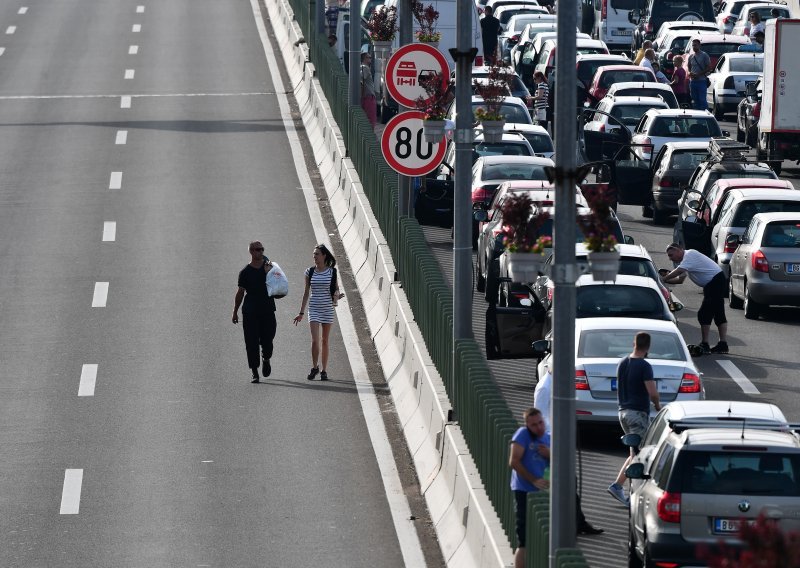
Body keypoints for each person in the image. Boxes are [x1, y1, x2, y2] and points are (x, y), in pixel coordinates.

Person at [533, 369, 604, 536]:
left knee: (569, 481)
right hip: (551, 442)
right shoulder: (545, 387)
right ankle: (572, 523)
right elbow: (539, 418)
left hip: (559, 440)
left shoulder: (556, 385)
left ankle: (577, 521)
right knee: (564, 481)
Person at [607, 332, 661, 506]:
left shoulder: (622, 362)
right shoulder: (644, 366)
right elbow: (652, 392)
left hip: (623, 412)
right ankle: (632, 493)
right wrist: (658, 406)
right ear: (648, 347)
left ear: (634, 343)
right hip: (637, 414)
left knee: (634, 453)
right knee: (642, 455)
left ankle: (618, 486)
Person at [662, 243, 729, 353]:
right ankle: (723, 344)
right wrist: (665, 280)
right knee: (718, 313)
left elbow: (678, 271)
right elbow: (680, 280)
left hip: (715, 282)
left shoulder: (690, 255)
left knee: (704, 313)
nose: (670, 259)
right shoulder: (685, 262)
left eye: (671, 255)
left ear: (679, 250)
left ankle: (705, 344)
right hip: (714, 283)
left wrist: (662, 279)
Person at [293, 244, 344, 381]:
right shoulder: (309, 272)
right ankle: (314, 367)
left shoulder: (332, 272)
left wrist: (337, 296)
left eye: (317, 254)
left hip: (327, 309)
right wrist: (301, 313)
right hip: (314, 309)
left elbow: (336, 289)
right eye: (314, 254)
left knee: (325, 341)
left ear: (324, 256)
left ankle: (324, 370)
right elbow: (306, 293)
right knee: (315, 340)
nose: (314, 256)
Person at [509, 408, 550, 568]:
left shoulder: (547, 438)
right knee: (524, 539)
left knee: (542, 536)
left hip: (543, 493)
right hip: (524, 491)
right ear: (527, 425)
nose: (539, 427)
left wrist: (549, 454)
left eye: (540, 422)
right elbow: (514, 461)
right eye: (534, 425)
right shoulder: (522, 435)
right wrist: (533, 480)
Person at [232, 241, 277, 384]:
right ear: (251, 251)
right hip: (250, 311)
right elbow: (240, 293)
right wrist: (235, 312)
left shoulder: (269, 268)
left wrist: (269, 273)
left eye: (262, 249)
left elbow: (278, 285)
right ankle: (254, 372)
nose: (261, 252)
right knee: (251, 342)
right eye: (258, 249)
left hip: (268, 309)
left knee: (268, 340)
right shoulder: (245, 272)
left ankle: (266, 358)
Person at [687, 38, 712, 111]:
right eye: (693, 45)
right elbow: (689, 68)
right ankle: (697, 115)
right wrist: (690, 73)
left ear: (699, 45)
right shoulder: (691, 56)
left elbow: (709, 68)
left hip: (701, 81)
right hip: (693, 82)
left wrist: (698, 74)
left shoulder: (704, 55)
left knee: (702, 100)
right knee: (695, 100)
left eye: (695, 45)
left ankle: (705, 115)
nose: (694, 47)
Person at [360, 52, 377, 128]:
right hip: (369, 97)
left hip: (365, 97)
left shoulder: (362, 67)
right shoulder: (365, 67)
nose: (370, 59)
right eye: (368, 57)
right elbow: (361, 79)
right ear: (364, 59)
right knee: (371, 119)